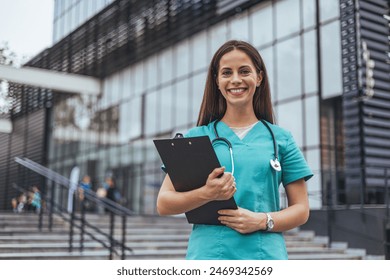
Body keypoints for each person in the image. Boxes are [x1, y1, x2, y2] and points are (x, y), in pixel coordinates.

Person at [156, 40, 313, 260]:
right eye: (227, 73)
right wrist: (207, 194)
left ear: (258, 78)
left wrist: (261, 220)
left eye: (244, 71)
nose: (235, 80)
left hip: (265, 255)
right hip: (209, 255)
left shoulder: (281, 139)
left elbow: (301, 210)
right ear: (217, 81)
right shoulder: (196, 137)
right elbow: (164, 203)